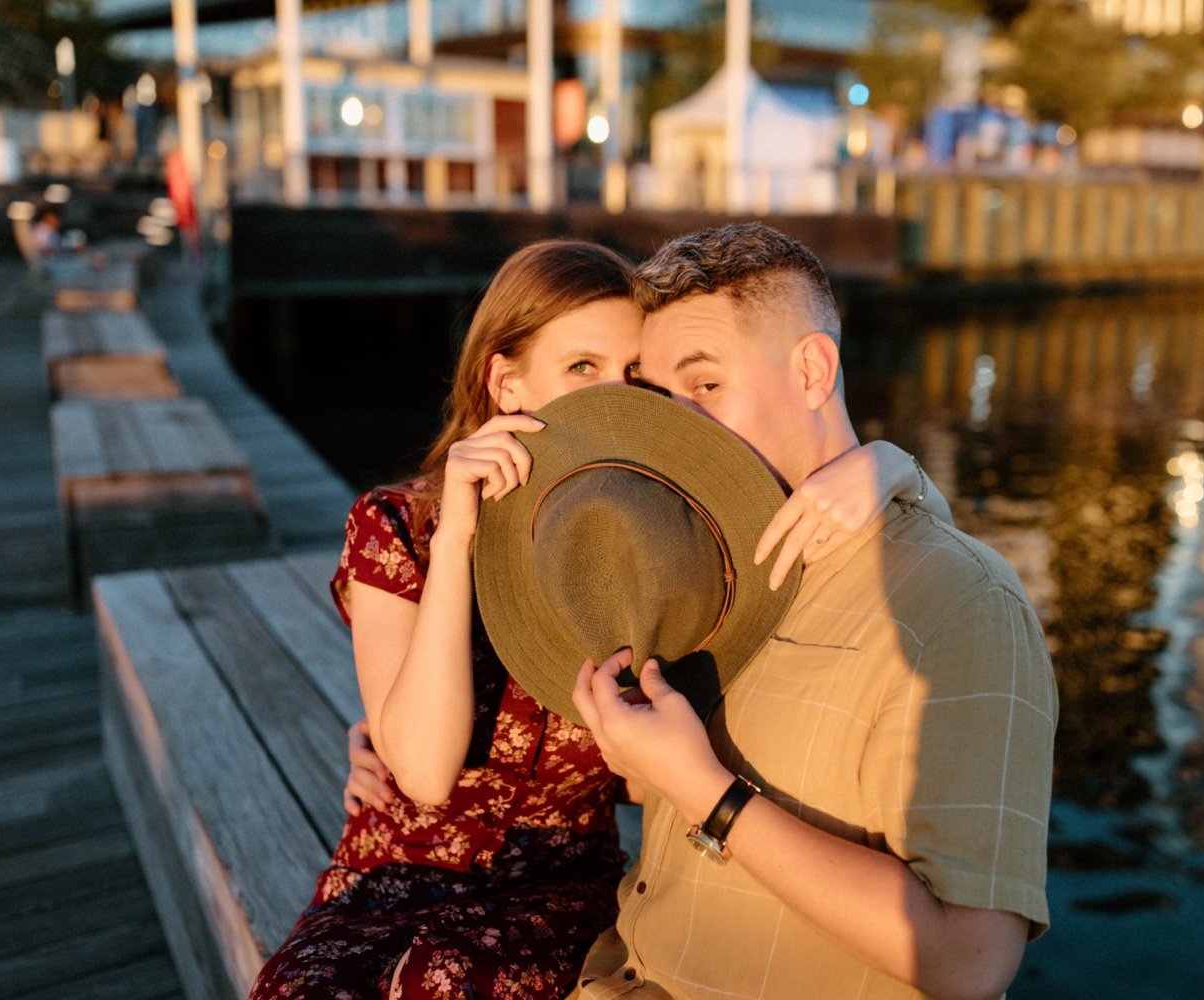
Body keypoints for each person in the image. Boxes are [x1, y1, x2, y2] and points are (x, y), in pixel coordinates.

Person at [252, 238, 943, 1000]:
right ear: (506, 381)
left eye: (633, 377)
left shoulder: (660, 536)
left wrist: (889, 462)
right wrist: (458, 537)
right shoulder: (399, 526)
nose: (614, 398)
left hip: (553, 889)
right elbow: (420, 769)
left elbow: (665, 766)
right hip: (390, 871)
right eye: (584, 369)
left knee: (442, 986)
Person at [569, 222, 1058, 1000]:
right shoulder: (705, 561)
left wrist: (706, 791)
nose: (674, 432)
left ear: (811, 369)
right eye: (660, 401)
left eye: (706, 386)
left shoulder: (964, 605)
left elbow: (970, 964)